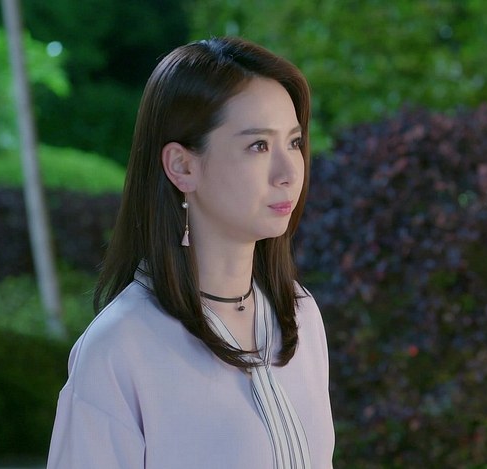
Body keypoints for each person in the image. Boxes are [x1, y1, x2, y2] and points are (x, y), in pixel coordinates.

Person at [47, 37, 334, 468]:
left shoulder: (299, 315)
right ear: (182, 166)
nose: (289, 172)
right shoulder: (120, 350)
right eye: (258, 145)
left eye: (293, 143)